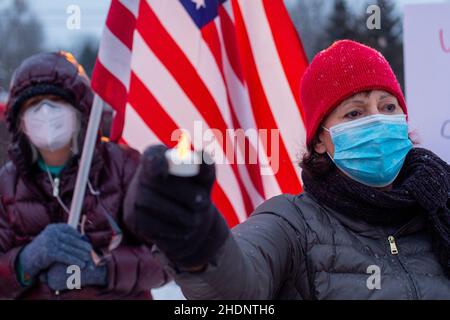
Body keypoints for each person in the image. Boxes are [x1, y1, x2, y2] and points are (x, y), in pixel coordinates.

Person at [124, 40, 450, 299]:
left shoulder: (439, 205)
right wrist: (197, 239)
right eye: (354, 113)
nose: (377, 120)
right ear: (320, 140)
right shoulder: (292, 224)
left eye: (388, 106)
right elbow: (238, 285)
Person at [0, 52, 168, 299]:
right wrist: (26, 261)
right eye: (33, 105)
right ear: (20, 120)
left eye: (56, 100)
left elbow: (168, 258)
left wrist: (101, 270)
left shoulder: (122, 167)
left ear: (81, 110)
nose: (46, 112)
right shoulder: (7, 184)